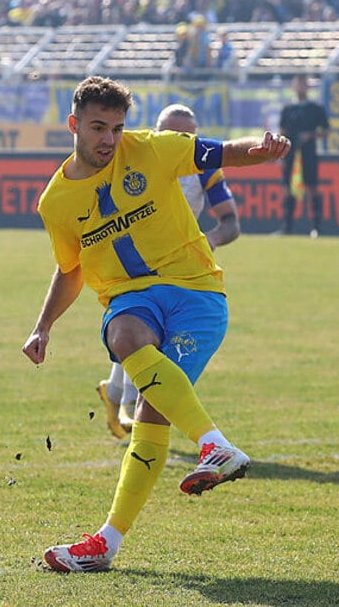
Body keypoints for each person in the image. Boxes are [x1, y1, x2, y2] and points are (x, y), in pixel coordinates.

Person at [22, 76, 289, 572]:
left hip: (197, 294)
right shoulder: (55, 202)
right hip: (132, 297)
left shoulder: (152, 148)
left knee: (153, 413)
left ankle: (108, 542)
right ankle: (213, 449)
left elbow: (222, 152)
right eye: (98, 127)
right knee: (123, 335)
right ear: (74, 124)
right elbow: (71, 269)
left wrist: (264, 150)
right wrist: (43, 326)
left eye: (117, 128)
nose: (109, 138)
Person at [96, 103, 242, 440]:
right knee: (145, 333)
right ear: (157, 134)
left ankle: (116, 396)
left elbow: (231, 222)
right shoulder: (135, 161)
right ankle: (129, 405)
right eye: (173, 135)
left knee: (146, 335)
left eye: (188, 137)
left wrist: (213, 238)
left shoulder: (204, 169)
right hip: (136, 260)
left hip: (181, 265)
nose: (181, 141)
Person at [277, 74, 329, 237]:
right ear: (293, 86)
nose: (300, 86)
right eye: (298, 83)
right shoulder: (288, 109)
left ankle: (317, 227)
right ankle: (287, 227)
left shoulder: (315, 108)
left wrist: (310, 136)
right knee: (288, 189)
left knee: (312, 188)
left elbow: (326, 131)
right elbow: (282, 132)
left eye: (303, 83)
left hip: (308, 153)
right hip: (290, 153)